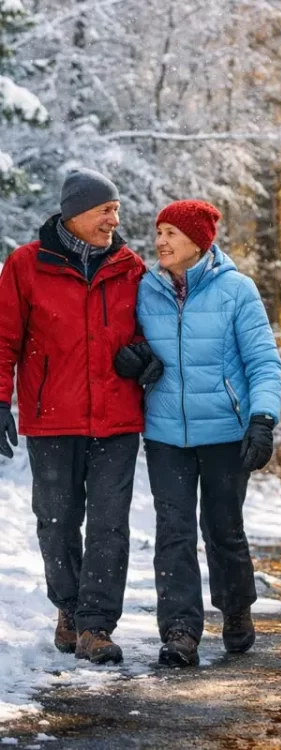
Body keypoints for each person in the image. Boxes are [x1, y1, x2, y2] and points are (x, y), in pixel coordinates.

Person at [0, 168, 159, 664]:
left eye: (116, 209)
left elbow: (151, 333)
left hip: (116, 419)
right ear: (74, 214)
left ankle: (96, 626)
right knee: (56, 520)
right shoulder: (27, 266)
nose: (115, 218)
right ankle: (68, 609)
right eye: (105, 209)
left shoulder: (131, 268)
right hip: (53, 416)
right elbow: (3, 339)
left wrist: (143, 356)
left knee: (110, 524)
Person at [120, 200, 281, 667]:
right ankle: (180, 631)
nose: (161, 242)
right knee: (173, 530)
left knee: (223, 527)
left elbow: (263, 362)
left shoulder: (236, 290)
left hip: (226, 432)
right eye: (159, 232)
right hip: (166, 431)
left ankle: (235, 609)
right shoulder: (145, 289)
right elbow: (127, 341)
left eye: (172, 233)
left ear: (199, 241)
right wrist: (132, 356)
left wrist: (262, 419)